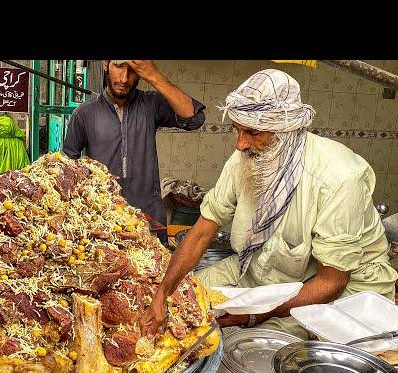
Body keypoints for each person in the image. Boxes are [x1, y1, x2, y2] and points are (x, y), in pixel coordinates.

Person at [141, 69, 398, 340]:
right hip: (262, 266)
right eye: (237, 130)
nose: (240, 144)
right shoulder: (244, 160)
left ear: (286, 130)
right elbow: (203, 230)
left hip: (340, 288)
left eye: (253, 132)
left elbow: (331, 281)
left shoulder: (338, 179)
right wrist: (162, 292)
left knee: (255, 345)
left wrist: (255, 315)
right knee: (183, 300)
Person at [62, 60, 206, 243]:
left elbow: (195, 119)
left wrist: (153, 74)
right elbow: (68, 166)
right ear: (106, 63)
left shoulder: (151, 104)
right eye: (119, 66)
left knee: (155, 269)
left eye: (133, 70)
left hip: (150, 219)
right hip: (104, 222)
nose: (124, 79)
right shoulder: (84, 114)